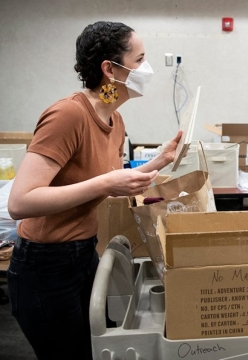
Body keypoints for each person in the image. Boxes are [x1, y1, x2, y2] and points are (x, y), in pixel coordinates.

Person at [6, 21, 183, 360]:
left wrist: (160, 161)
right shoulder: (67, 115)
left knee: (96, 348)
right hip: (44, 265)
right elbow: (21, 201)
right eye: (140, 59)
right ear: (109, 69)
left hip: (83, 254)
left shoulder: (115, 119)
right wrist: (106, 183)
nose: (146, 69)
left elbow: (111, 183)